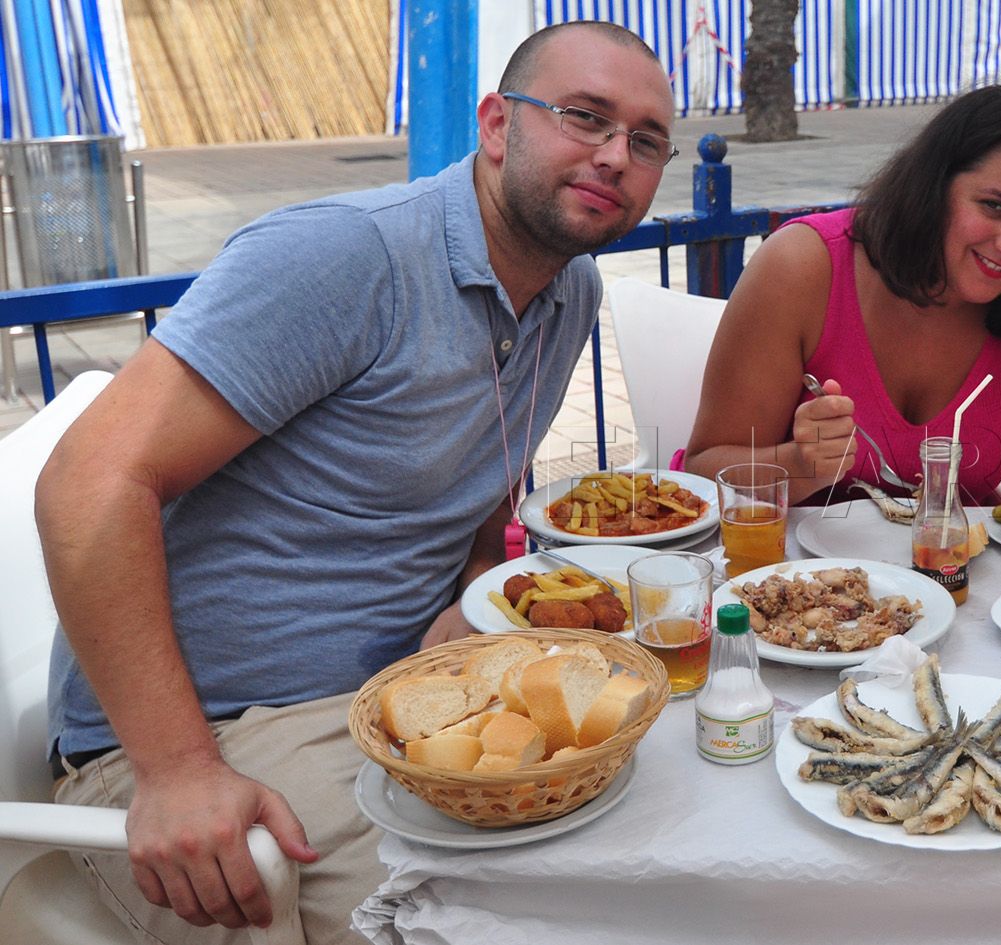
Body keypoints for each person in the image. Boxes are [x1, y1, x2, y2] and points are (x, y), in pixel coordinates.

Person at [34, 21, 676, 943]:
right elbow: (88, 482)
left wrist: (470, 594)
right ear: (497, 124)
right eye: (585, 116)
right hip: (209, 730)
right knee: (511, 920)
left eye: (646, 141)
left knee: (653, 842)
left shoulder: (570, 290)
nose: (615, 155)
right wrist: (176, 770)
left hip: (411, 693)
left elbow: (484, 472)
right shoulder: (348, 256)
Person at [682, 85, 1001, 515]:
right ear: (933, 187)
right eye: (995, 206)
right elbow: (705, 468)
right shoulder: (803, 264)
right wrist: (799, 465)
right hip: (797, 579)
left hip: (959, 574)